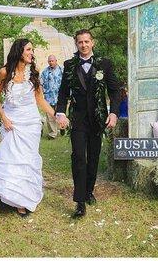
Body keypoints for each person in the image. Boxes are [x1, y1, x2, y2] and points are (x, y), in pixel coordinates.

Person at [0, 39, 55, 217]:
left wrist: (56, 114)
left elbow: (40, 100)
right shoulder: (4, 72)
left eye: (32, 50)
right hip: (12, 122)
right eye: (29, 49)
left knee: (27, 160)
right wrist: (4, 118)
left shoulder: (34, 73)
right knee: (11, 158)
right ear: (19, 51)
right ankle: (11, 195)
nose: (32, 52)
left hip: (31, 123)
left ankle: (23, 198)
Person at [56, 29, 120, 218]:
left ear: (93, 43)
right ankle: (80, 201)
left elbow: (115, 91)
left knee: (93, 157)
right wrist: (61, 113)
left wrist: (114, 113)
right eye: (80, 42)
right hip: (78, 119)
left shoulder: (104, 64)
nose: (83, 45)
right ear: (76, 45)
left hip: (98, 119)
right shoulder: (69, 65)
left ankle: (89, 190)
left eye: (86, 42)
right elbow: (63, 92)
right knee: (78, 157)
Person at [40, 55, 63, 139]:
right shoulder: (45, 72)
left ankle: (61, 127)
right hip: (48, 98)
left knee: (60, 114)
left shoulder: (61, 70)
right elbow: (41, 83)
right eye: (49, 61)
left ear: (56, 61)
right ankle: (53, 134)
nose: (51, 62)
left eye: (52, 61)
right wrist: (42, 93)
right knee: (50, 116)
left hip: (59, 97)